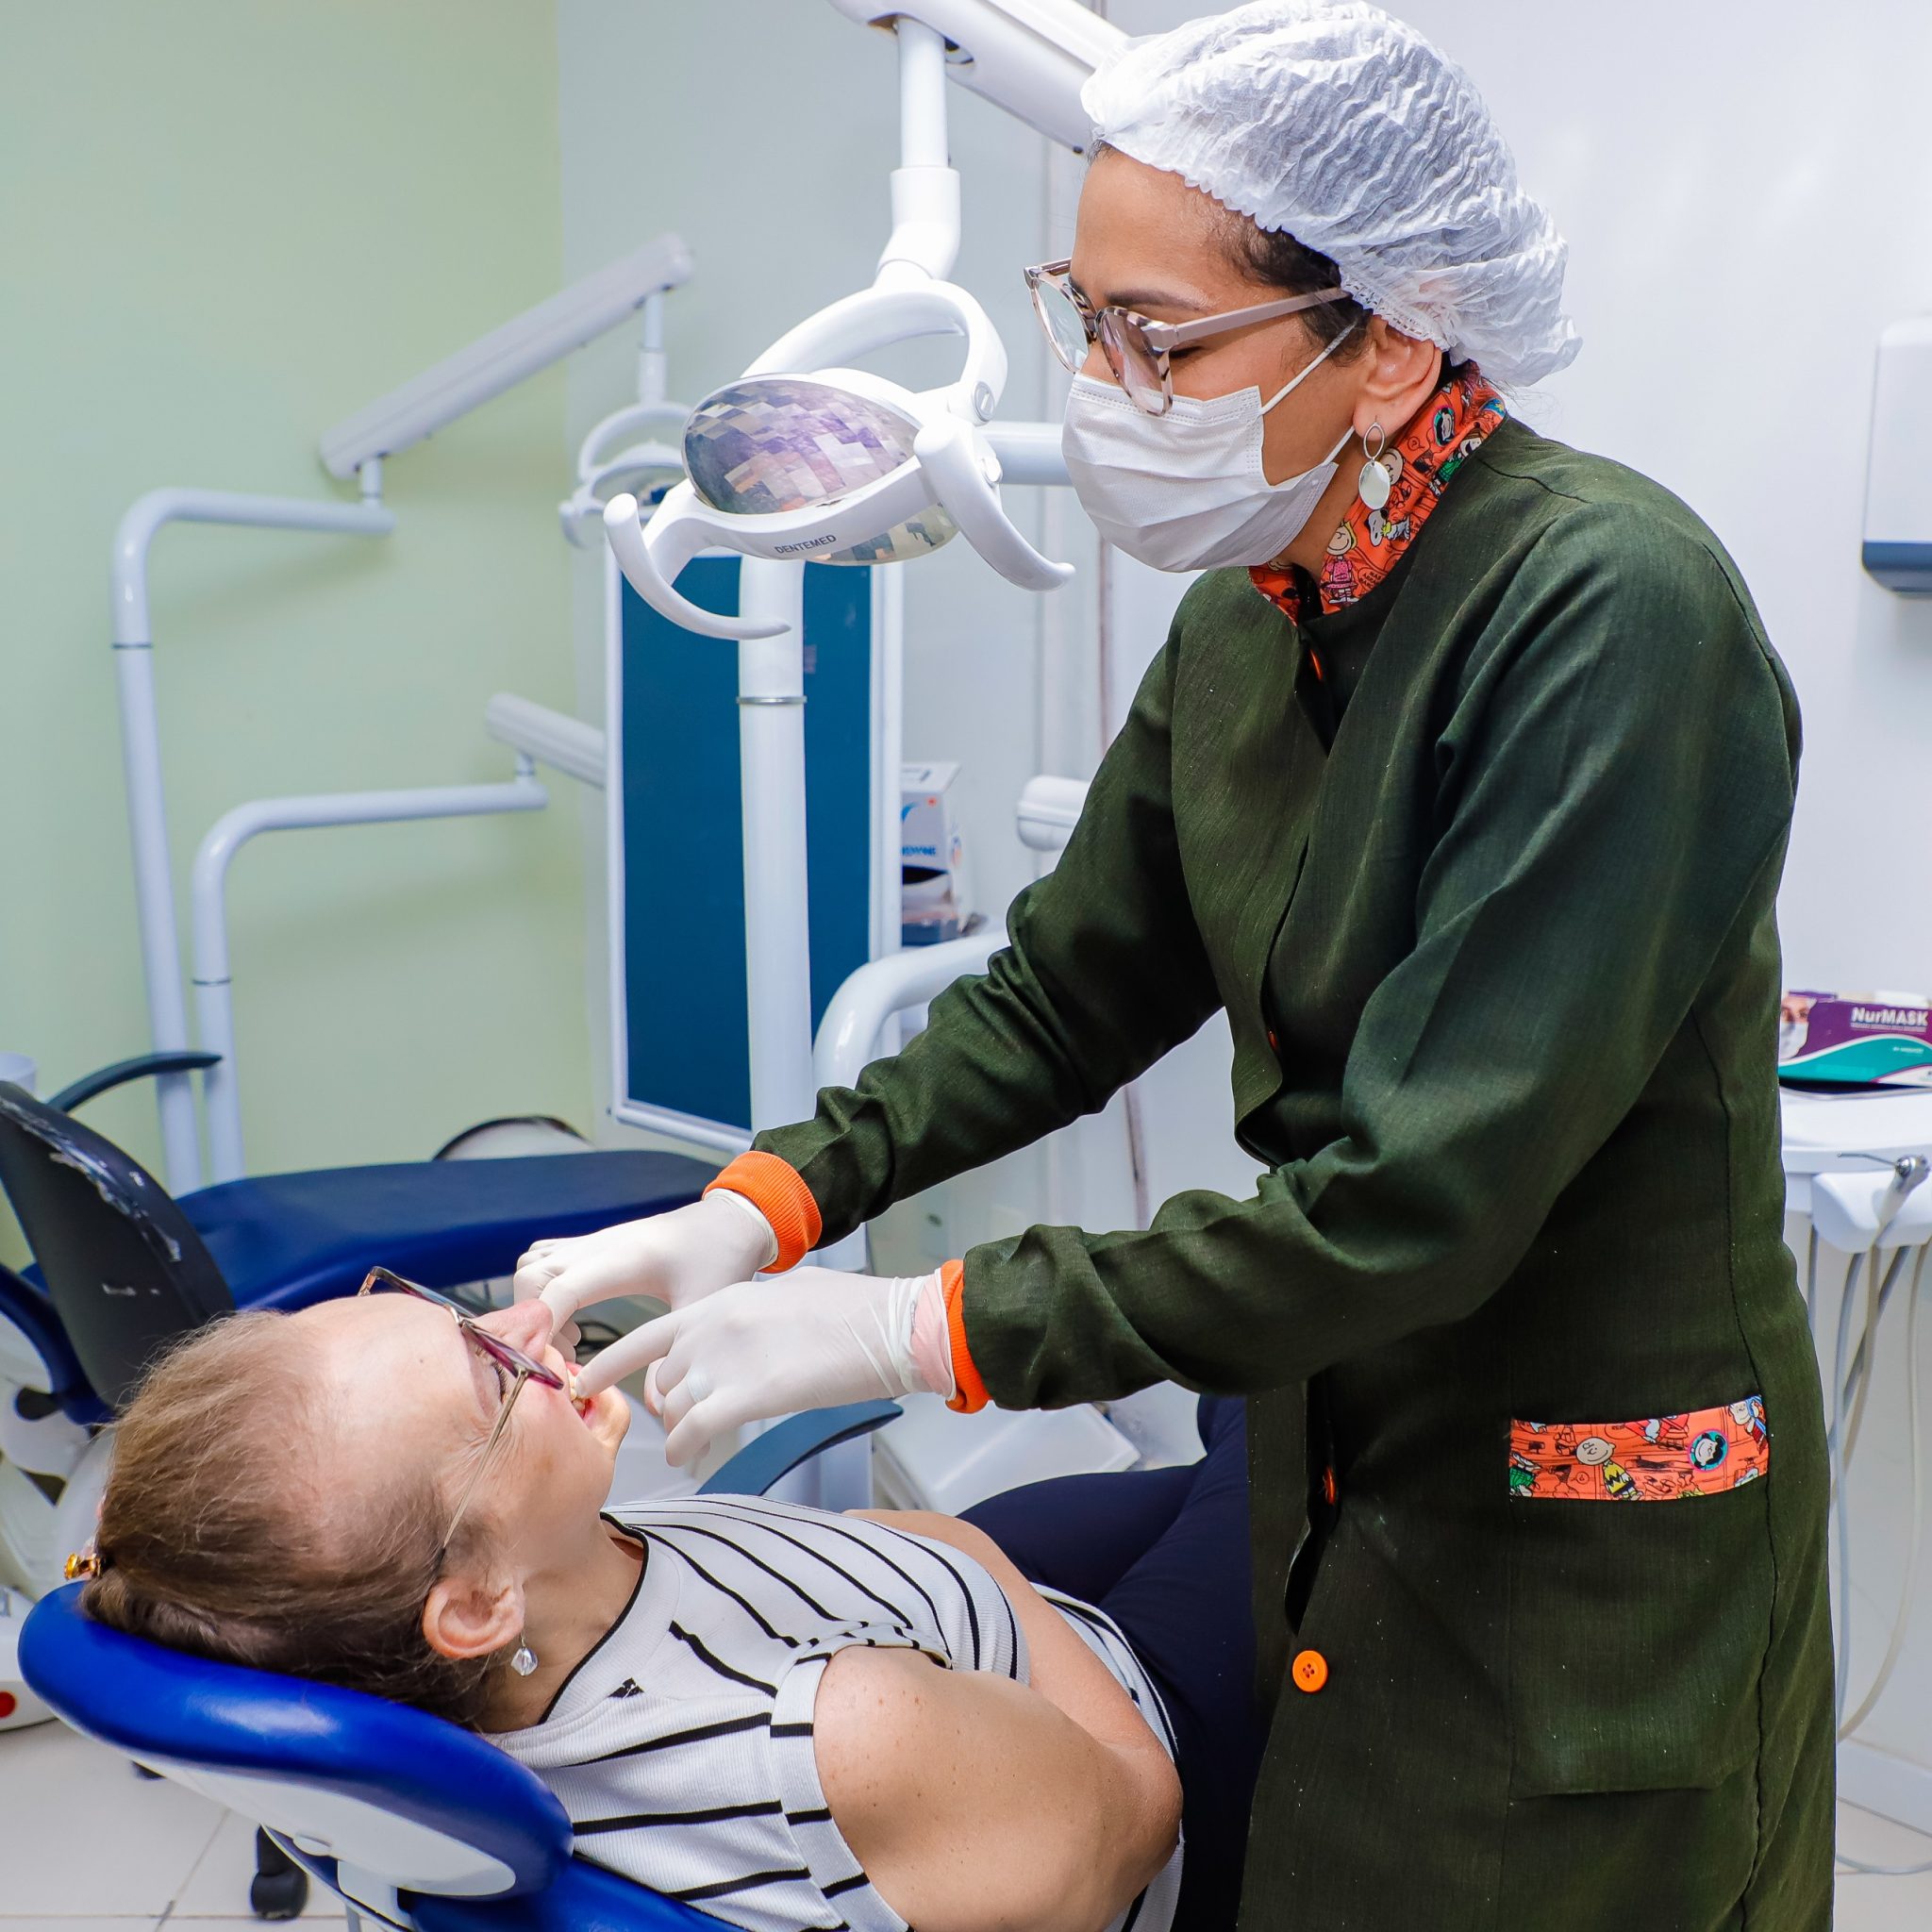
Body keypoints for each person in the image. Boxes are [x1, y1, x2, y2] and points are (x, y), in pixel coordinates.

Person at [515, 5, 1833, 1925]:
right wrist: (765, 1200)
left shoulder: (1610, 610)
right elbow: (1062, 995)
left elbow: (1416, 1203)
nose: (1104, 389)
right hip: (1331, 1441)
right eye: (1083, 318)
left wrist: (914, 1330)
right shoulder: (1246, 622)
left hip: (1579, 1506)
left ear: (1389, 339)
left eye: (1161, 338)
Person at [76, 1274, 1266, 1932]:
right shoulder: (832, 1740)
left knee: (1239, 1443)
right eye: (489, 1367)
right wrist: (970, 1555)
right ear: (476, 1601)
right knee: (1294, 1400)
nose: (530, 1321)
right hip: (1126, 1725)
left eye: (453, 1307)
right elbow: (1140, 1813)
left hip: (940, 1632)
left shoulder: (434, 1653)